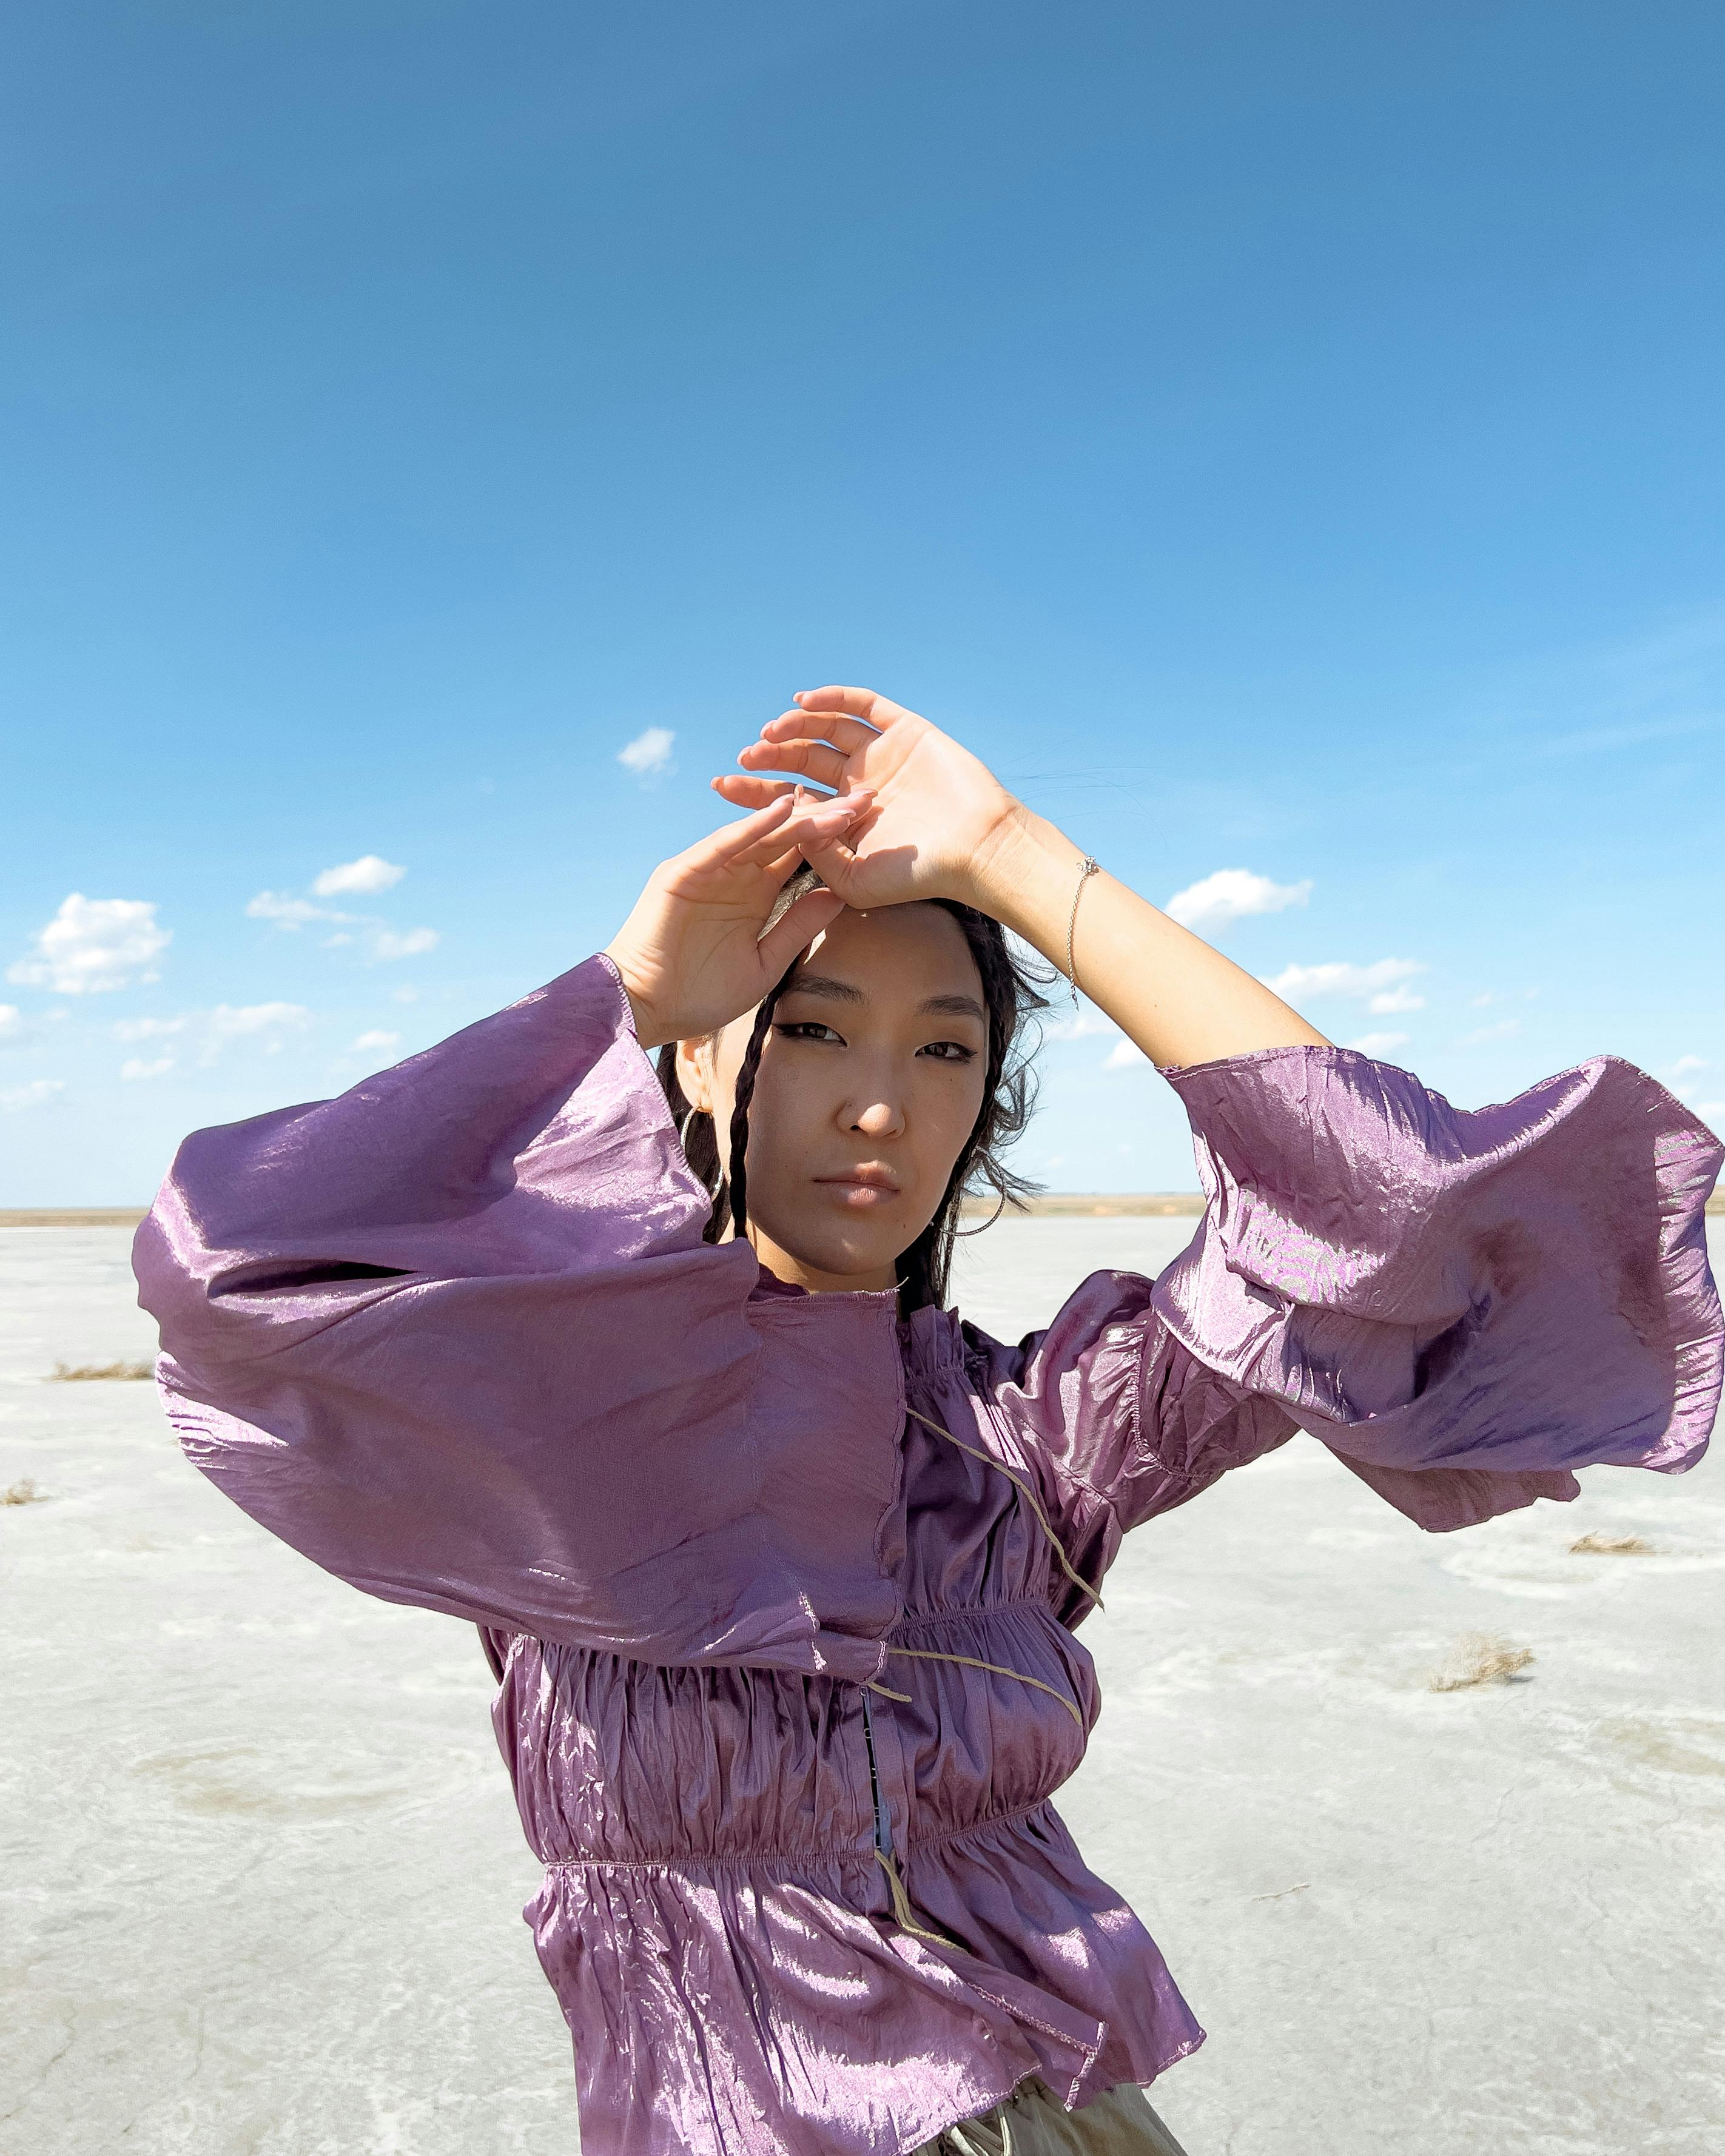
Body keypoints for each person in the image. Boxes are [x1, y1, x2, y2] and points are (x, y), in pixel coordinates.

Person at [134, 686, 1723, 2156]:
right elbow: (236, 1272)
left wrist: (1015, 855)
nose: (880, 1101)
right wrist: (622, 996)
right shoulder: (559, 1427)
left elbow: (1384, 1235)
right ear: (698, 1057)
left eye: (944, 1046)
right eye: (812, 1025)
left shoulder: (1034, 1435)